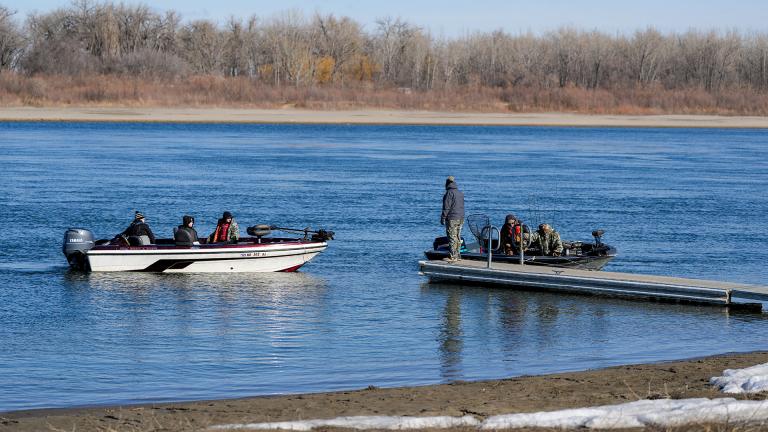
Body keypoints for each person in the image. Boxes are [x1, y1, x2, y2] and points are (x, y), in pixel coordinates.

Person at [440, 176, 465, 262]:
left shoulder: (449, 193)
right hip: (461, 218)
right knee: (458, 237)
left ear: (447, 183)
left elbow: (446, 207)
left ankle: (453, 256)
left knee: (451, 237)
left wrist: (443, 217)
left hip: (452, 218)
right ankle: (458, 255)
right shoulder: (460, 193)